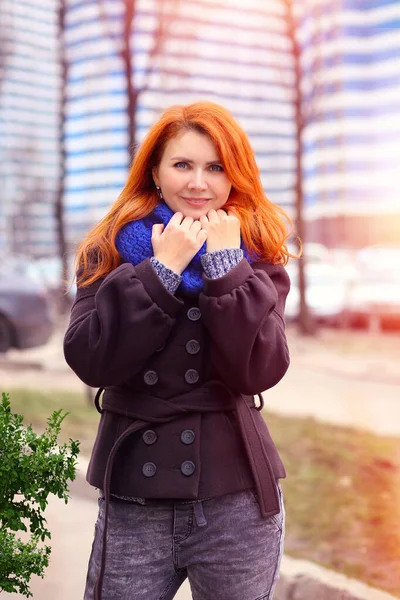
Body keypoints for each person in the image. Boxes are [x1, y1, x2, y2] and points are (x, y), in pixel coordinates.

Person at [64, 101, 294, 600]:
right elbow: (89, 359)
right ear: (154, 170)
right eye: (183, 164)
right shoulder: (109, 249)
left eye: (216, 167)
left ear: (235, 177)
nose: (199, 183)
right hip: (134, 499)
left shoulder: (257, 256)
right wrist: (161, 271)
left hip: (237, 501)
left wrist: (227, 266)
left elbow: (259, 369)